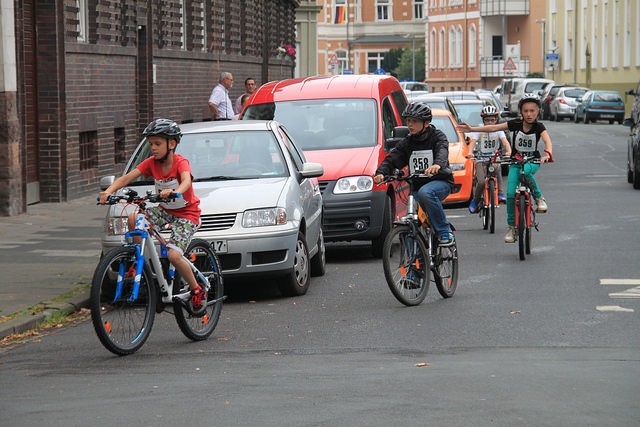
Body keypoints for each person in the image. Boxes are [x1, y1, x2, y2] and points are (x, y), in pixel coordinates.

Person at [98, 118, 206, 309]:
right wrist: (108, 192)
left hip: (187, 214)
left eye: (157, 144)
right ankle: (136, 260)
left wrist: (176, 191)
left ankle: (197, 289)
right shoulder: (151, 163)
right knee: (133, 218)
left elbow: (186, 181)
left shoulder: (181, 162)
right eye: (151, 144)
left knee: (174, 256)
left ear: (171, 144)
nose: (153, 148)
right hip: (165, 211)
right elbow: (127, 178)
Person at [458, 94, 553, 243]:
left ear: (538, 111)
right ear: (521, 111)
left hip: (532, 161)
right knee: (509, 195)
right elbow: (493, 127)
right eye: (526, 111)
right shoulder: (515, 124)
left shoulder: (539, 127)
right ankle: (511, 228)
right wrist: (471, 129)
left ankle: (539, 198)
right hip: (515, 163)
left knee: (526, 171)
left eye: (532, 111)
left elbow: (547, 141)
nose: (529, 114)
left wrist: (547, 153)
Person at [373, 102, 456, 246]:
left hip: (440, 182)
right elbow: (393, 158)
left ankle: (444, 231)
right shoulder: (407, 142)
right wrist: (381, 172)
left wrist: (437, 165)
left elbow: (442, 151)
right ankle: (414, 266)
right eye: (408, 121)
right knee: (409, 225)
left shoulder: (437, 136)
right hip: (417, 186)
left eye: (415, 121)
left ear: (426, 123)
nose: (410, 125)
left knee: (426, 193)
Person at [465, 105, 512, 213]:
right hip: (481, 159)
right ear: (483, 120)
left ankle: (500, 193)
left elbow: (505, 142)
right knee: (481, 182)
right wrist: (470, 152)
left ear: (496, 119)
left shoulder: (499, 130)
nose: (490, 123)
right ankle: (475, 201)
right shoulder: (479, 130)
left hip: (494, 158)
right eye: (487, 120)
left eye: (492, 120)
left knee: (498, 169)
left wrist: (509, 151)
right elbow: (472, 143)